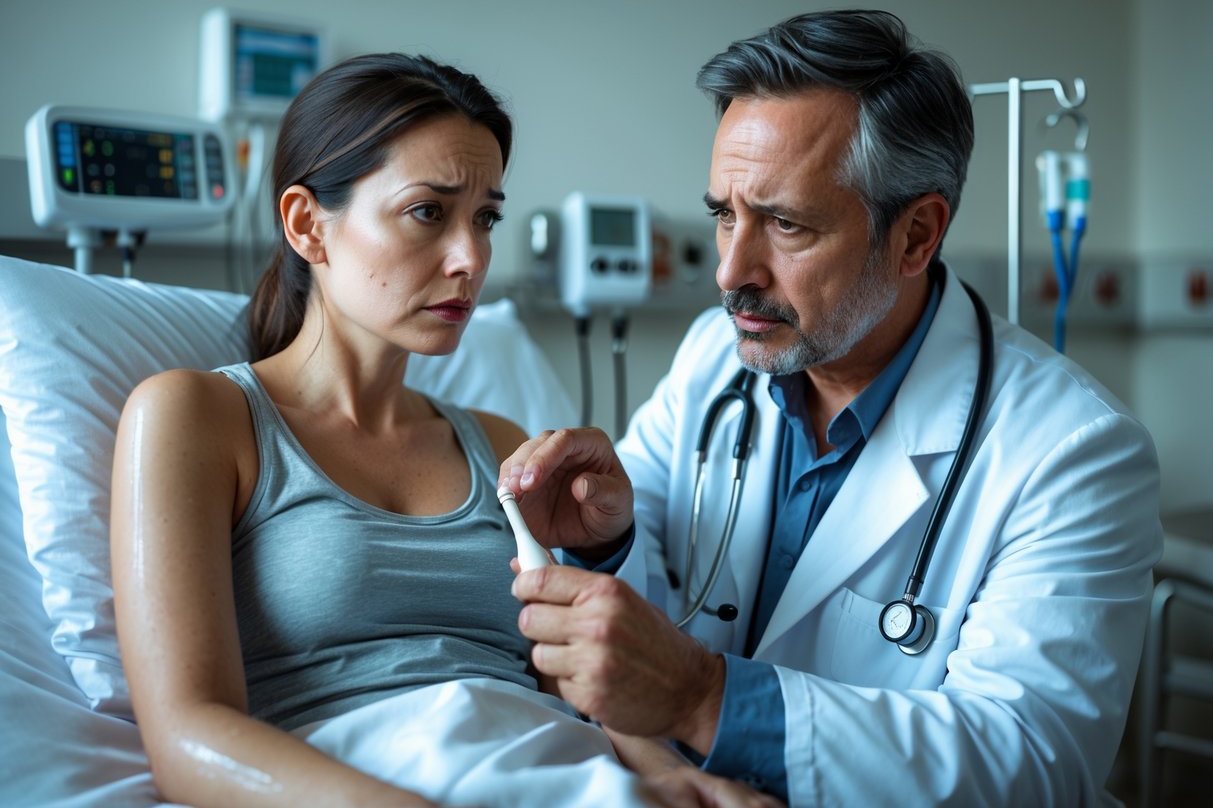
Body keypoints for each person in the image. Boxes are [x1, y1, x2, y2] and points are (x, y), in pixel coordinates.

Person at [500, 9, 1164, 806]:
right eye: (723, 215)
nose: (729, 271)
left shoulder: (1072, 451)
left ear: (915, 236)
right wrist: (608, 539)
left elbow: (1032, 766)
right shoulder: (715, 362)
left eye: (784, 224)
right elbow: (652, 590)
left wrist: (707, 699)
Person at [109, 52, 777, 808]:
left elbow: (570, 677)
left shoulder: (496, 445)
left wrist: (679, 779)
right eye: (428, 211)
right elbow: (189, 737)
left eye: (485, 218)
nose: (471, 258)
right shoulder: (197, 418)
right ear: (307, 226)